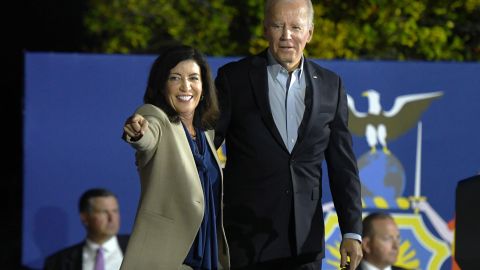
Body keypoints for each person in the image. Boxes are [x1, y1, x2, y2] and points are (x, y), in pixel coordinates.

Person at [213, 0, 363, 269]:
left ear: (310, 33)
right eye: (277, 26)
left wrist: (351, 231)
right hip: (245, 239)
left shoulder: (331, 85)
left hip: (304, 244)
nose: (286, 36)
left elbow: (343, 167)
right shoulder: (233, 78)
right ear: (264, 29)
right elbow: (204, 143)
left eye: (296, 27)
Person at [121, 45, 230, 269]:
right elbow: (146, 136)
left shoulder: (205, 134)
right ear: (162, 85)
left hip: (208, 260)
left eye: (193, 78)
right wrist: (138, 132)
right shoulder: (156, 117)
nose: (186, 86)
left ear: (203, 86)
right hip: (168, 259)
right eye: (175, 78)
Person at [44, 188, 128, 270]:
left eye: (115, 211)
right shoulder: (57, 263)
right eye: (103, 212)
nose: (112, 218)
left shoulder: (137, 249)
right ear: (85, 217)